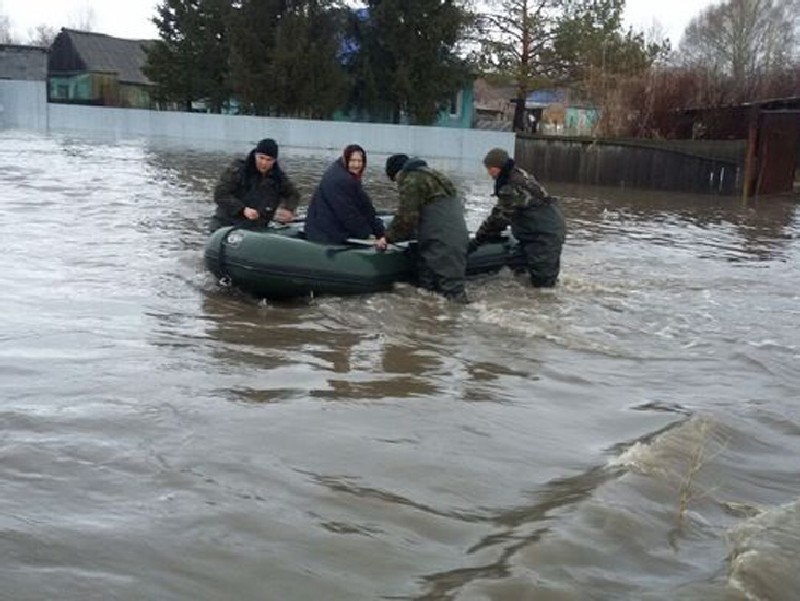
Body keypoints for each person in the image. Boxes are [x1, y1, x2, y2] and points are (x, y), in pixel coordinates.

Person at [470, 148, 566, 288]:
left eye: (490, 168)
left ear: (498, 167)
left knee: (544, 287)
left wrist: (478, 240)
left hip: (543, 236)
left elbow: (500, 218)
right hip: (536, 232)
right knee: (521, 272)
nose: (488, 172)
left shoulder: (512, 185)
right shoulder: (517, 174)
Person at [384, 154, 469, 303]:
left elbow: (406, 217)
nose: (397, 183)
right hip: (454, 238)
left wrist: (387, 238)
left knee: (453, 296)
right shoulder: (434, 176)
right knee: (430, 294)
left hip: (441, 242)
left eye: (394, 180)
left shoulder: (411, 180)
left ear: (397, 173)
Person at [209, 138, 300, 232]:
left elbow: (293, 194)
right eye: (261, 158)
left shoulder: (278, 178)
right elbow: (220, 195)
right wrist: (242, 209)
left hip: (256, 228)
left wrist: (288, 209)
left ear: (274, 161)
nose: (264, 163)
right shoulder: (238, 170)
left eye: (269, 160)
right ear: (255, 155)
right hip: (226, 224)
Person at [304, 144, 386, 248]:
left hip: (321, 228)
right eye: (352, 161)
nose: (356, 165)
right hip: (325, 235)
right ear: (346, 160)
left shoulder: (343, 175)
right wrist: (367, 234)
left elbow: (364, 207)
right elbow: (348, 214)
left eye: (359, 161)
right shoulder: (342, 180)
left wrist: (379, 231)